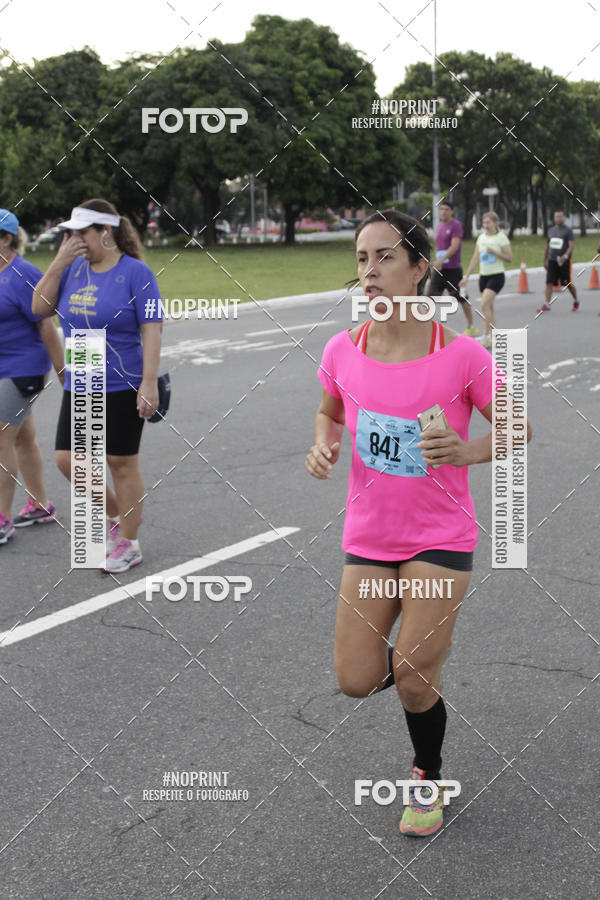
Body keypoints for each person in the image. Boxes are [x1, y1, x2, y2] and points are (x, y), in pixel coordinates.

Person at [305, 210, 531, 837]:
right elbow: (328, 410)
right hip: (370, 538)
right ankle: (422, 658)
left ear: (419, 269)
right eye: (360, 259)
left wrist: (468, 451)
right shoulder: (340, 350)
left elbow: (519, 427)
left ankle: (426, 775)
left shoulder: (460, 356)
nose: (368, 272)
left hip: (440, 536)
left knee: (408, 674)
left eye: (383, 258)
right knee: (355, 680)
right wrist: (322, 443)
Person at [32, 199, 163, 572]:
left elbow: (152, 328)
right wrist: (58, 262)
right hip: (82, 375)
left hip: (124, 378)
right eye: (70, 233)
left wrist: (149, 383)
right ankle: (121, 516)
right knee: (67, 459)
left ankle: (130, 543)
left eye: (81, 232)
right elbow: (38, 308)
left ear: (105, 232)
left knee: (119, 462)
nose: (74, 239)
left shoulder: (136, 273)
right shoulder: (71, 270)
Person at [0, 208, 64, 545]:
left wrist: (63, 370)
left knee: (1, 439)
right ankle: (40, 504)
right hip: (2, 370)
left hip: (23, 368)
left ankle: (2, 518)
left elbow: (46, 325)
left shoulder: (24, 275)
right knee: (21, 438)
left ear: (6, 239)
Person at [460, 211, 512, 348]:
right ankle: (495, 336)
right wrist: (467, 277)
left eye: (488, 222)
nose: (486, 225)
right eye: (484, 223)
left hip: (497, 276)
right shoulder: (481, 238)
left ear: (495, 223)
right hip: (484, 277)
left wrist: (495, 252)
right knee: (489, 307)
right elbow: (475, 258)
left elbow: (509, 258)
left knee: (483, 304)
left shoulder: (501, 238)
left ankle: (486, 336)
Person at [429, 201, 477, 336]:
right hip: (440, 270)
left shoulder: (455, 226)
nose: (443, 212)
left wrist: (441, 260)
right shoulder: (439, 226)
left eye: (446, 209)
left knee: (461, 298)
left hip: (453, 270)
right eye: (442, 209)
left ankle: (471, 326)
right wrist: (436, 263)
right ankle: (422, 330)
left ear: (451, 212)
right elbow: (439, 247)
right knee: (429, 298)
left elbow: (454, 246)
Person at [537, 211, 577, 312]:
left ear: (564, 218)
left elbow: (571, 245)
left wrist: (566, 256)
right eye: (557, 217)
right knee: (549, 282)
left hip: (563, 262)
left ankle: (576, 300)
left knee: (567, 283)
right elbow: (548, 246)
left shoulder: (568, 231)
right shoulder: (551, 231)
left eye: (560, 216)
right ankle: (547, 304)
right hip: (552, 261)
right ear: (554, 218)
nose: (559, 218)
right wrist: (544, 260)